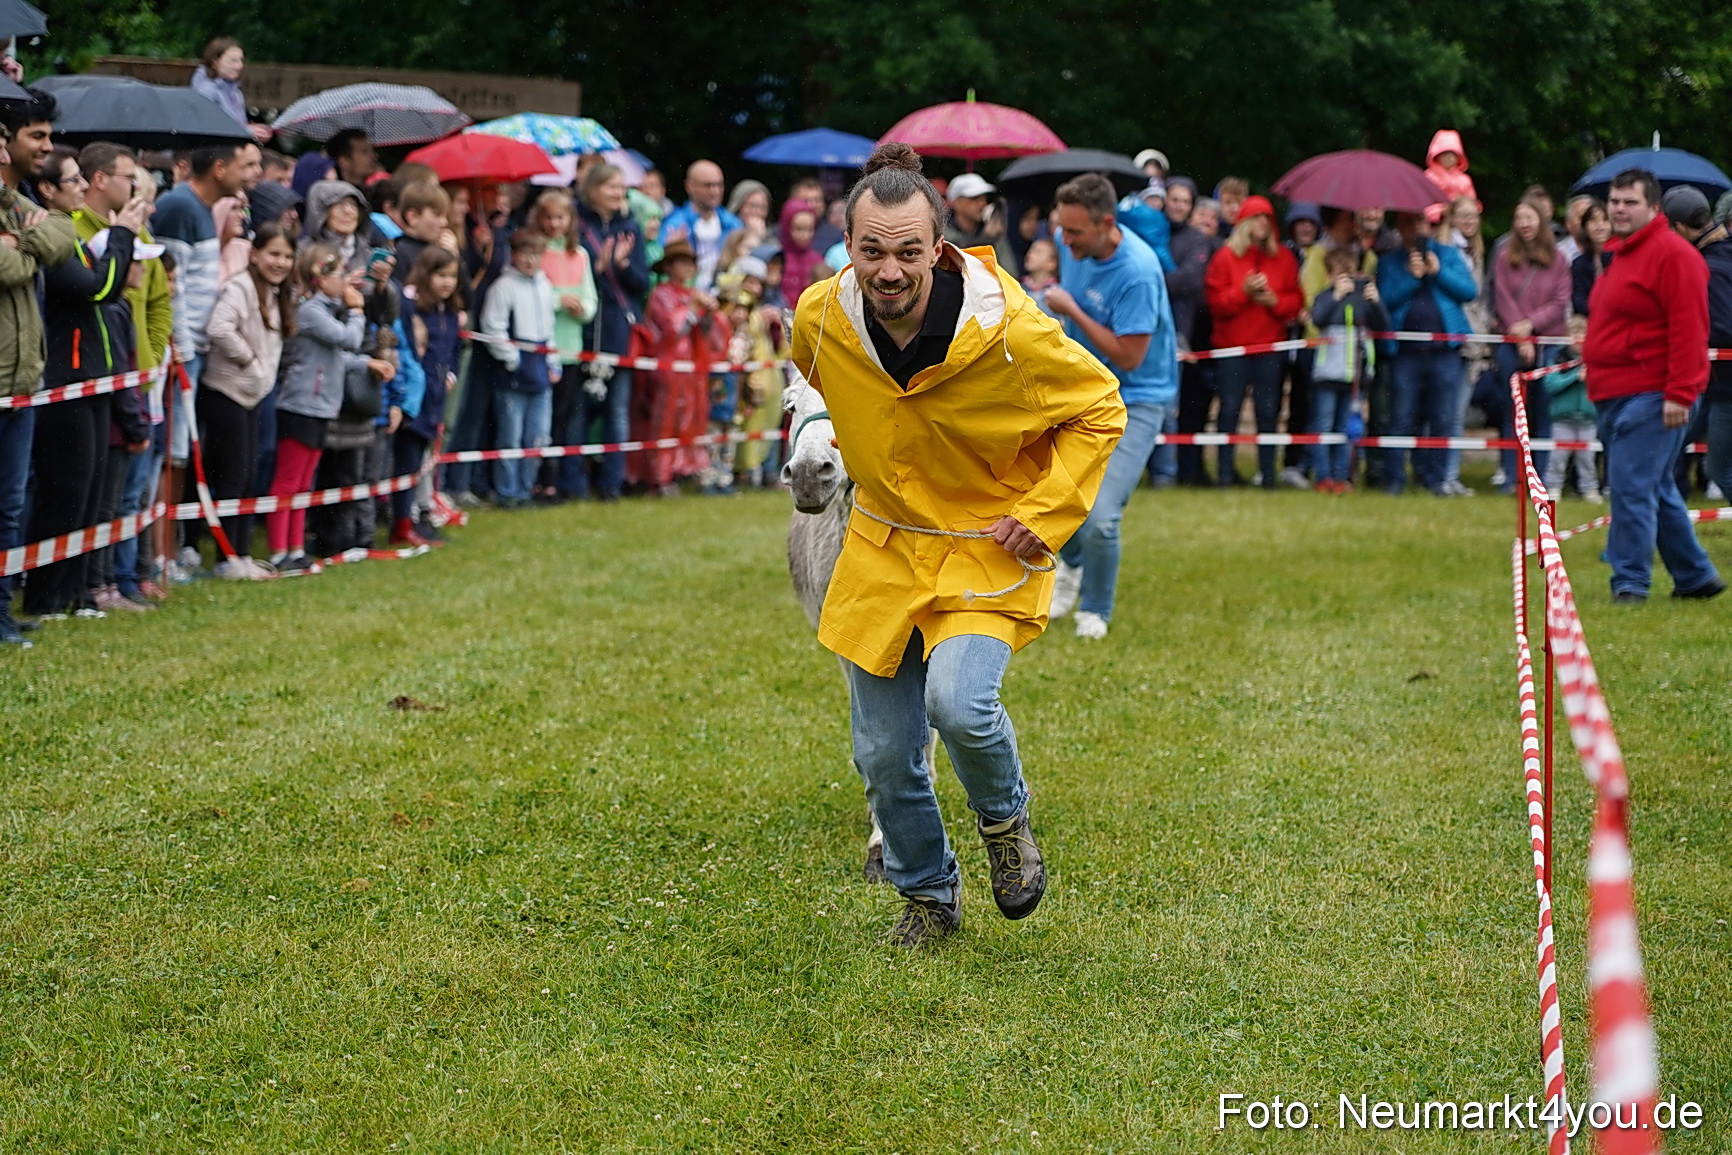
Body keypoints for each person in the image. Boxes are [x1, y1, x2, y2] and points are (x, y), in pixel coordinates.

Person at [790, 142, 1124, 945]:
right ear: (849, 250)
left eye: (909, 251)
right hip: (882, 544)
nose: (891, 270)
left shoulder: (1007, 330)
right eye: (872, 251)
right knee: (884, 752)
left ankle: (1005, 823)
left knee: (960, 705)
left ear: (938, 250)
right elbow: (817, 381)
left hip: (984, 544)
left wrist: (1043, 512)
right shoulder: (821, 316)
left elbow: (1100, 406)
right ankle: (930, 895)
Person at [1042, 173, 1176, 640]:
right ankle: (1072, 565)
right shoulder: (1069, 238)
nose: (1065, 238)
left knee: (1100, 515)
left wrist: (1073, 309)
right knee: (1058, 494)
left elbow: (1130, 356)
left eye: (1075, 232)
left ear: (1106, 223)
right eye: (1063, 228)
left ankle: (1094, 611)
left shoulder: (1137, 272)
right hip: (1080, 389)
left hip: (1136, 397)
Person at [1582, 169, 1722, 602]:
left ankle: (1630, 585)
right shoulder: (1622, 254)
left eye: (1630, 202)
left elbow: (1690, 330)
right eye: (1615, 201)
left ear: (1654, 208)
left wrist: (1680, 393)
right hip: (1616, 391)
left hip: (1654, 394)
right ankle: (1696, 577)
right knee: (1655, 490)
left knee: (1630, 489)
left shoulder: (1674, 256)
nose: (1619, 209)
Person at [22, 148, 145, 619]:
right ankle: (44, 597)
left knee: (90, 493)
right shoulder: (54, 239)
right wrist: (121, 234)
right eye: (70, 181)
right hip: (63, 382)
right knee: (65, 493)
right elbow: (100, 287)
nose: (79, 187)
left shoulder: (72, 235)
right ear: (49, 189)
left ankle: (75, 595)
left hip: (93, 381)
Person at [154, 140, 250, 560]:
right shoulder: (178, 207)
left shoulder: (203, 211)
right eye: (245, 167)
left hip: (196, 351)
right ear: (218, 168)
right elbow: (168, 288)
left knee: (181, 452)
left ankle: (171, 551)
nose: (250, 178)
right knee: (169, 455)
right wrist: (180, 349)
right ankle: (160, 556)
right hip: (180, 352)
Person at [0, 123, 76, 646]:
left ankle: (1, 613)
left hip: (21, 380)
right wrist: (28, 247)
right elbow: (6, 268)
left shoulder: (11, 201)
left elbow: (63, 234)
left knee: (7, 507)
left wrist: (20, 241)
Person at [267, 244, 373, 574]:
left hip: (321, 406)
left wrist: (371, 363)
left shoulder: (324, 309)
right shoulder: (310, 311)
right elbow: (347, 338)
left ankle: (296, 548)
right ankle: (277, 551)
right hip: (300, 404)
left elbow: (337, 355)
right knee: (287, 481)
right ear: (319, 276)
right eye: (339, 275)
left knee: (303, 484)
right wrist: (357, 311)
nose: (343, 282)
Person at [198, 221, 296, 577]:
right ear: (254, 255)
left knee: (249, 475)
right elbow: (219, 328)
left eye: (287, 256)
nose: (280, 262)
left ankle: (239, 554)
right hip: (226, 391)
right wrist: (250, 361)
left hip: (254, 394)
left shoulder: (277, 293)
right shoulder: (240, 287)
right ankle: (226, 557)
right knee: (232, 475)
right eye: (273, 254)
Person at [1377, 211, 1479, 495]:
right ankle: (1395, 480)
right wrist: (1411, 278)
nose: (1418, 228)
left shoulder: (1447, 255)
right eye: (1410, 222)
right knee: (1400, 417)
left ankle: (1436, 480)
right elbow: (1384, 301)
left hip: (1445, 351)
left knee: (1442, 418)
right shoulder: (1390, 261)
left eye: (1423, 222)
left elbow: (1469, 291)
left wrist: (1438, 272)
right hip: (1405, 353)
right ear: (1400, 228)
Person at [1204, 194, 1302, 487]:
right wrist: (1243, 292)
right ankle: (1224, 473)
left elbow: (1296, 301)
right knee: (1229, 409)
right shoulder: (1225, 257)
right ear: (1244, 223)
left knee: (1268, 411)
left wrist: (1275, 301)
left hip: (1270, 347)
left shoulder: (1283, 257)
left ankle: (1268, 475)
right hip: (1231, 347)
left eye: (1268, 218)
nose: (1264, 224)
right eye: (1258, 218)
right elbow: (1215, 303)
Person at [630, 239, 730, 493]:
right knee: (664, 424)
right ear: (669, 266)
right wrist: (695, 310)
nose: (687, 268)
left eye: (690, 263)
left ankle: (683, 471)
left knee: (688, 422)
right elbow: (671, 330)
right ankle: (659, 477)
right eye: (681, 263)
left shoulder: (692, 294)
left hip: (690, 375)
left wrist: (710, 314)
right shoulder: (661, 295)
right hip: (667, 372)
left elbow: (715, 337)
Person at [573, 162, 647, 501]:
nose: (618, 193)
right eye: (611, 187)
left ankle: (610, 485)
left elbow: (641, 282)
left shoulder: (631, 228)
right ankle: (572, 482)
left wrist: (622, 265)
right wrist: (598, 266)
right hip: (583, 331)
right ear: (592, 189)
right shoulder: (576, 224)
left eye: (622, 187)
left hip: (619, 333)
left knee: (617, 410)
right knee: (578, 410)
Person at [1493, 196, 1572, 491]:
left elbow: (1560, 300)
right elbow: (1500, 296)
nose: (1524, 224)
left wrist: (1530, 325)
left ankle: (1540, 478)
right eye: (1519, 218)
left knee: (1543, 413)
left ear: (1541, 220)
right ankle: (1511, 478)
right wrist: (1520, 334)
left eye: (1529, 217)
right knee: (1513, 412)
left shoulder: (1559, 259)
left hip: (1549, 342)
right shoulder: (1503, 256)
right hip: (1511, 343)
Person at [478, 229, 561, 508]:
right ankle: (507, 492)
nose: (530, 260)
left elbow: (549, 327)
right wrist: (512, 358)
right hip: (514, 369)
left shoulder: (545, 285)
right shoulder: (503, 286)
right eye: (524, 254)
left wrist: (553, 360)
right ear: (513, 255)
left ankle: (526, 489)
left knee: (538, 435)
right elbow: (493, 326)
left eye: (536, 254)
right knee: (510, 436)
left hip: (540, 365)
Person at [528, 188, 597, 501]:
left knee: (564, 417)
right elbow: (532, 295)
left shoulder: (579, 255)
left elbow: (591, 299)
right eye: (549, 217)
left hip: (571, 347)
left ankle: (554, 479)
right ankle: (536, 479)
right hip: (542, 346)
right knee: (541, 417)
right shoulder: (537, 252)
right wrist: (558, 301)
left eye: (561, 217)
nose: (555, 223)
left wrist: (582, 307)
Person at [1308, 247, 1388, 492]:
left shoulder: (1363, 300)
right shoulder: (1325, 297)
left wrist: (1376, 302)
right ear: (1330, 276)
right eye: (1341, 275)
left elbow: (1383, 326)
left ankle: (1342, 477)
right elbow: (1318, 319)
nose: (1348, 281)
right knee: (1323, 426)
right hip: (1328, 374)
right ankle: (1323, 476)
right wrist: (1336, 295)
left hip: (1355, 376)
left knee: (1347, 428)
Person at [399, 246, 464, 540]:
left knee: (427, 458)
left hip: (438, 394)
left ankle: (423, 512)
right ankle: (404, 520)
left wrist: (451, 373)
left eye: (452, 276)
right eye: (441, 275)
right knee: (408, 458)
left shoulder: (450, 312)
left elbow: (454, 350)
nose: (448, 282)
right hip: (415, 395)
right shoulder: (413, 306)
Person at [1436, 194, 1490, 496]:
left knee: (1457, 412)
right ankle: (1442, 475)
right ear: (1452, 218)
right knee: (1446, 412)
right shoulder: (1445, 249)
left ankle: (1451, 475)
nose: (1470, 221)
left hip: (1474, 340)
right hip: (1451, 338)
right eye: (1464, 215)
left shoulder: (1477, 252)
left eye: (1474, 215)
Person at [1166, 184, 1217, 485]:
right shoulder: (1155, 230)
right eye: (1175, 199)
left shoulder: (1198, 240)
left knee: (1185, 407)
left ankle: (1179, 472)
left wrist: (1151, 280)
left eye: (1185, 201)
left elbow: (1190, 280)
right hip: (1154, 328)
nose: (1179, 206)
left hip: (1190, 335)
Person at [1542, 318, 1600, 502]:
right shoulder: (1558, 359)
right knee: (1558, 457)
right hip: (1563, 418)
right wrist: (1575, 376)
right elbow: (1551, 385)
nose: (1579, 339)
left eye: (1583, 335)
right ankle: (1553, 487)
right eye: (1574, 335)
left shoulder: (1596, 359)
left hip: (1588, 419)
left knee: (1587, 458)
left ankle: (1589, 489)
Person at [661, 160, 741, 292]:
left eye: (719, 185)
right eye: (708, 185)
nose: (715, 191)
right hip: (687, 296)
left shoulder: (733, 224)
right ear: (689, 186)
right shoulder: (674, 224)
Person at [188, 38, 273, 144]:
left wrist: (253, 130)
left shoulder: (236, 93)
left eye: (241, 60)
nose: (239, 66)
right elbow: (209, 127)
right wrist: (247, 131)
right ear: (215, 62)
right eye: (233, 61)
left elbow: (236, 126)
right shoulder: (205, 92)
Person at [943, 173, 1019, 276]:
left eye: (984, 198)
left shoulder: (993, 231)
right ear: (956, 202)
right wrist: (987, 240)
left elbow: (1010, 273)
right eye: (974, 198)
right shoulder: (941, 234)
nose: (982, 203)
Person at [0, 86, 55, 199]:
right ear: (5, 137)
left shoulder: (32, 196)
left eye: (49, 137)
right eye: (37, 136)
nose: (48, 147)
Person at [1422, 130, 1477, 221]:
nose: (1449, 157)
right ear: (1436, 155)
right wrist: (1442, 212)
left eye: (1453, 154)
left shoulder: (1465, 180)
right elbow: (1424, 205)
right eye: (1444, 154)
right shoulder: (1428, 177)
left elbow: (1472, 205)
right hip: (1435, 225)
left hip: (1460, 224)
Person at [1570, 200, 1613, 316]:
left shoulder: (1622, 258)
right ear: (1585, 227)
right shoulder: (1578, 263)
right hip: (1589, 321)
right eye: (1593, 221)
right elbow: (1578, 299)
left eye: (1604, 220)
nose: (1599, 226)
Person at [778, 198, 824, 302]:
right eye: (798, 229)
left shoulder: (817, 260)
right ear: (787, 227)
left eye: (809, 229)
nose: (805, 235)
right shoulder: (777, 258)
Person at [1020, 237, 1058, 312]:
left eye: (1038, 252)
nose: (1030, 254)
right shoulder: (1019, 288)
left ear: (1051, 263)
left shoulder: (1058, 293)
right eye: (1030, 250)